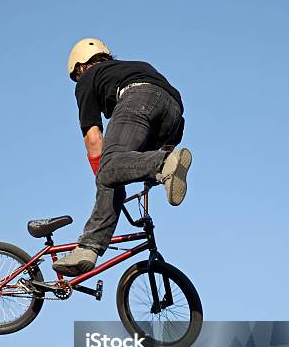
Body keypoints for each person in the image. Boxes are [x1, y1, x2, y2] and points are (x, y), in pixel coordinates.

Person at [52, 38, 192, 277]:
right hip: (174, 114)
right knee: (116, 170)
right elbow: (149, 147)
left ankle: (89, 246)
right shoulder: (132, 66)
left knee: (108, 169)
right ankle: (89, 249)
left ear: (79, 67)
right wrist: (135, 172)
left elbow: (94, 138)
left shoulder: (87, 78)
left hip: (139, 98)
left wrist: (104, 175)